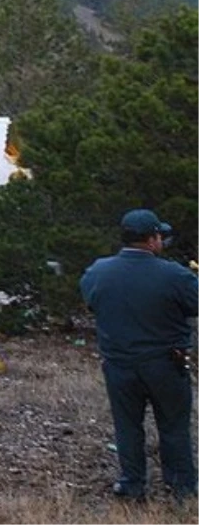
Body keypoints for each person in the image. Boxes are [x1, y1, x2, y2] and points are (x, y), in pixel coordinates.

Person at [80, 208, 199, 501]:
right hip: (166, 363)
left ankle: (132, 484)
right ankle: (181, 487)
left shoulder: (97, 272)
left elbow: (91, 304)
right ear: (152, 239)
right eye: (160, 235)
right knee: (173, 425)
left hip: (119, 365)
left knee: (128, 426)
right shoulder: (174, 275)